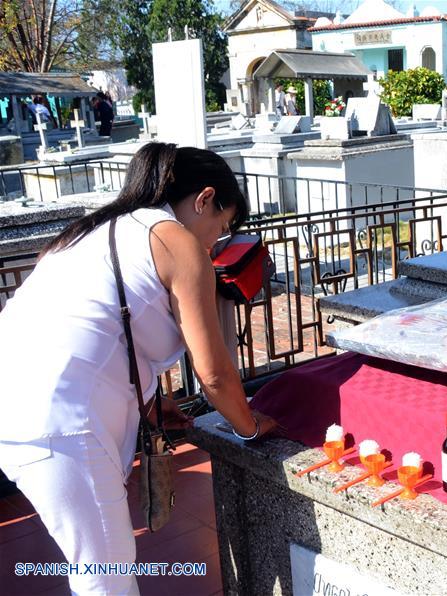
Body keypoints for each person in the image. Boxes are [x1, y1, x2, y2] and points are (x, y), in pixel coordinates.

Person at [0, 143, 282, 595]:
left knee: (97, 568)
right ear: (204, 199)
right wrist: (249, 429)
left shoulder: (91, 231)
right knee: (106, 577)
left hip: (23, 412)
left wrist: (152, 401)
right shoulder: (176, 240)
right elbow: (213, 374)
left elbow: (94, 330)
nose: (216, 240)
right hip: (63, 426)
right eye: (221, 226)